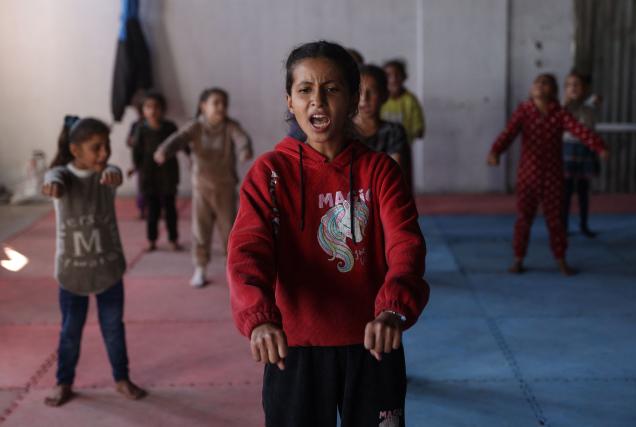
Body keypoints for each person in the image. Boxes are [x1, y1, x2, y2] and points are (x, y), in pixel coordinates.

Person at [227, 41, 429, 427]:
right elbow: (247, 253)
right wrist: (259, 317)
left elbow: (406, 245)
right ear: (290, 101)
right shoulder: (269, 173)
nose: (317, 101)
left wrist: (393, 309)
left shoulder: (380, 170)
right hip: (294, 348)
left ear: (354, 100)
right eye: (305, 90)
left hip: (374, 343)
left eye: (332, 89)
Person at [42, 116, 146, 407]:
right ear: (75, 151)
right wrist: (51, 183)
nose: (104, 153)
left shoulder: (107, 175)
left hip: (107, 270)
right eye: (96, 148)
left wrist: (112, 171)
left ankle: (121, 378)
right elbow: (54, 177)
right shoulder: (61, 176)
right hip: (72, 273)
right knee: (70, 331)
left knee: (113, 328)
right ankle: (64, 381)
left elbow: (113, 171)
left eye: (107, 146)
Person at [487, 74, 608, 275]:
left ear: (553, 91)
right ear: (531, 89)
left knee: (556, 220)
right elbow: (508, 133)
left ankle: (561, 259)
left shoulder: (559, 113)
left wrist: (599, 146)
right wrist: (495, 151)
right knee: (524, 218)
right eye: (537, 82)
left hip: (553, 176)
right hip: (528, 176)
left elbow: (579, 130)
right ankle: (518, 258)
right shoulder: (524, 111)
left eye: (546, 83)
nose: (540, 86)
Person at [154, 88, 253, 287]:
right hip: (201, 187)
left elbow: (242, 138)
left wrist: (245, 150)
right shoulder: (196, 127)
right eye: (215, 103)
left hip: (225, 187)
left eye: (224, 103)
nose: (221, 107)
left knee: (230, 231)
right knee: (200, 229)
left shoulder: (230, 126)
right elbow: (179, 138)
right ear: (203, 106)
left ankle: (232, 267)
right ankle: (200, 267)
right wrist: (165, 150)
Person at [131, 91, 182, 251]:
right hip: (148, 175)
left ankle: (173, 239)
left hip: (168, 174)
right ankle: (152, 240)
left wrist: (192, 157)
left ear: (163, 109)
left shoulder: (170, 127)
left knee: (170, 210)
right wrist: (135, 167)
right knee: (152, 211)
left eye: (156, 107)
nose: (152, 111)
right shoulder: (140, 128)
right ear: (143, 110)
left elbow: (181, 143)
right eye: (148, 107)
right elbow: (136, 151)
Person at [354, 64, 412, 187]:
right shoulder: (342, 131)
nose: (364, 98)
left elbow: (394, 176)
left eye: (372, 92)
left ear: (384, 96)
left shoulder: (393, 132)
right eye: (360, 92)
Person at [562, 71, 601, 237]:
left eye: (577, 84)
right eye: (569, 85)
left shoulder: (589, 107)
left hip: (586, 150)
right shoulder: (561, 107)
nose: (573, 88)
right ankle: (563, 227)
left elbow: (595, 101)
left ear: (585, 89)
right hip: (567, 150)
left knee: (584, 191)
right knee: (566, 191)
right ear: (565, 89)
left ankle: (584, 225)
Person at [380, 60, 425, 145]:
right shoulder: (379, 98)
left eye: (397, 75)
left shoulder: (410, 100)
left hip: (403, 147)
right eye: (388, 75)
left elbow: (419, 131)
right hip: (380, 148)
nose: (393, 79)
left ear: (404, 76)